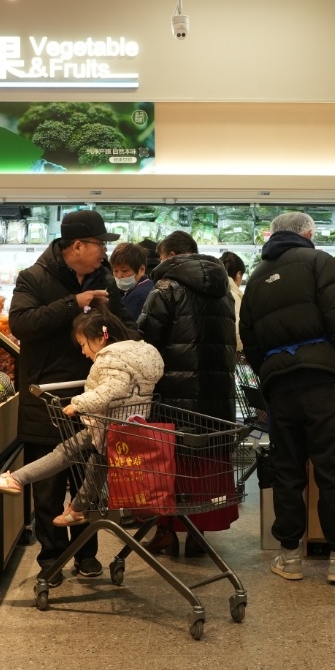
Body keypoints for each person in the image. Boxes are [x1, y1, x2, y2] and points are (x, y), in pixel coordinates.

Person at [239, 211, 335, 585]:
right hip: (323, 381)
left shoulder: (257, 277)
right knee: (331, 468)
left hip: (280, 385)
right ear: (308, 234)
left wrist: (270, 374)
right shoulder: (319, 263)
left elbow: (249, 339)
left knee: (287, 470)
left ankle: (290, 557)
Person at [9, 209, 136, 585]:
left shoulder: (105, 281)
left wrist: (106, 322)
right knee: (47, 490)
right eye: (99, 244)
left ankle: (86, 555)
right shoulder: (33, 277)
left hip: (94, 398)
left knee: (88, 483)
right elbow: (22, 324)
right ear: (77, 245)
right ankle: (52, 557)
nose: (104, 252)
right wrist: (74, 303)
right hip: (45, 397)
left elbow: (129, 329)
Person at [0, 304, 164, 525]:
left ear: (99, 339)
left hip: (107, 425)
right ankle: (78, 509)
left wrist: (77, 404)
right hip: (127, 426)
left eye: (83, 344)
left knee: (63, 452)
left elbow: (111, 390)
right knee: (97, 465)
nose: (83, 351)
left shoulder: (110, 359)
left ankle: (16, 479)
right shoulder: (139, 355)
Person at [138, 229, 236, 557]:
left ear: (168, 256)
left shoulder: (166, 288)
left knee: (169, 463)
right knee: (204, 464)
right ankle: (198, 534)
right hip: (216, 395)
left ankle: (166, 532)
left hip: (173, 394)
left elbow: (147, 339)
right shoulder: (224, 291)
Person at [109, 242, 154, 318]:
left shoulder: (138, 296)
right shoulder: (148, 284)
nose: (119, 276)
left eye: (124, 271)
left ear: (141, 270)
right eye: (115, 271)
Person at [220, 250, 245, 352]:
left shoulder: (214, 290)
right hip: (228, 353)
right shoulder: (233, 295)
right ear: (238, 274)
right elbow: (237, 334)